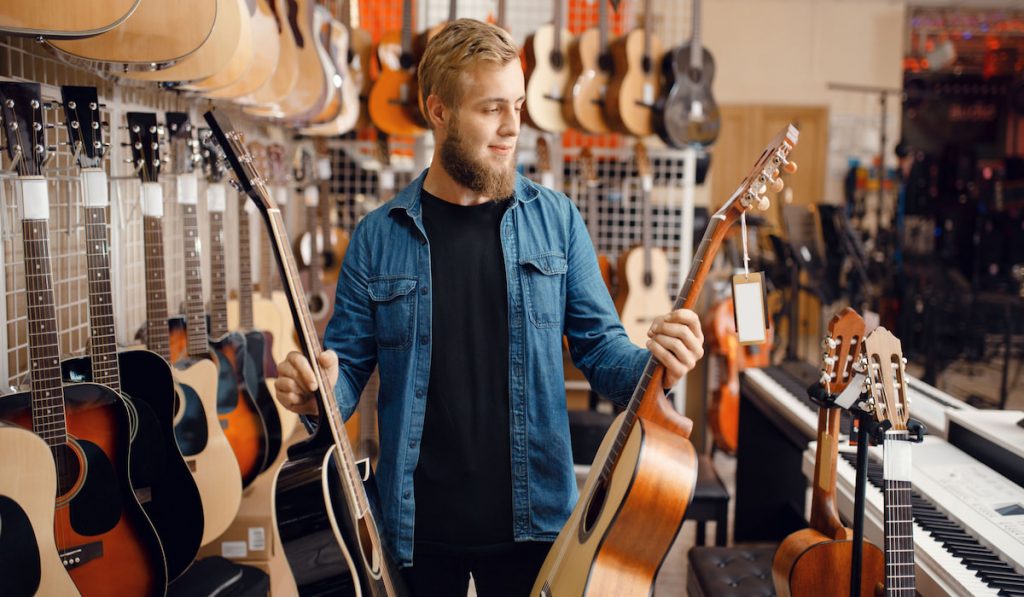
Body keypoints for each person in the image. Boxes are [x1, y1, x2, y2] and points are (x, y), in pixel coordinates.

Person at [274, 18, 705, 597]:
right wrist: (317, 394)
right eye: (491, 109)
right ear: (438, 111)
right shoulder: (379, 237)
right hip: (415, 534)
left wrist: (661, 367)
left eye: (519, 106)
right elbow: (345, 370)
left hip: (536, 531)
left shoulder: (557, 222)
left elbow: (603, 352)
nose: (512, 128)